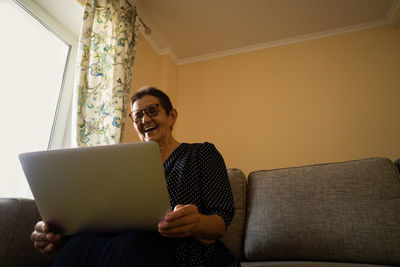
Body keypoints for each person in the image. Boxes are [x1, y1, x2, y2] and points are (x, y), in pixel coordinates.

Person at [31, 86, 238, 266]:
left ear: (172, 116)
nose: (145, 119)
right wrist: (56, 235)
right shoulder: (119, 165)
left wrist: (196, 223)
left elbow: (220, 222)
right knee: (77, 246)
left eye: (152, 111)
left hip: (178, 253)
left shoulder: (201, 153)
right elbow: (102, 218)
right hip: (119, 245)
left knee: (133, 243)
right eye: (137, 116)